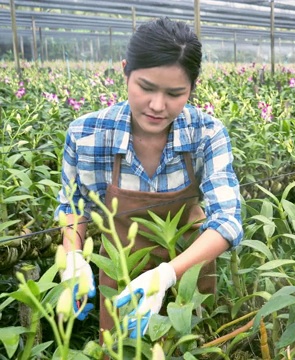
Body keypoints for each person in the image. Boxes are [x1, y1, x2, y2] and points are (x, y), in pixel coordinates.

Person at [56, 17, 243, 339]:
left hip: (189, 275)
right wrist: (73, 258)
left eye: (175, 93)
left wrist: (166, 275)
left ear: (193, 87)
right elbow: (74, 205)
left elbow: (228, 221)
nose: (158, 105)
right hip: (120, 271)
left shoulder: (207, 133)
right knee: (120, 349)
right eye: (145, 87)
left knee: (192, 345)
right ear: (126, 71)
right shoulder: (86, 134)